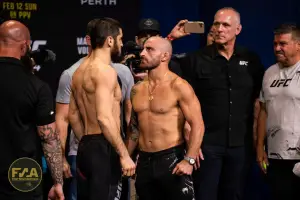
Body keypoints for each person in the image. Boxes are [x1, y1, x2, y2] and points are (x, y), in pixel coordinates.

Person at [168, 7, 265, 200]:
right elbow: (160, 65)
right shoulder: (195, 59)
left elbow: (258, 103)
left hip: (240, 146)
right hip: (206, 147)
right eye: (216, 24)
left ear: (238, 29)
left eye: (226, 25)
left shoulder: (251, 60)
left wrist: (258, 143)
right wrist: (170, 39)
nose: (219, 29)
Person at [56, 18, 134, 200]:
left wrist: (87, 142)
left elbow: (73, 115)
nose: (122, 43)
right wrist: (123, 155)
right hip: (104, 147)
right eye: (120, 39)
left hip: (85, 147)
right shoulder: (105, 71)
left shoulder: (77, 72)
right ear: (109, 40)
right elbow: (104, 118)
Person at [126, 36, 205, 200]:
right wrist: (126, 156)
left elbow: (197, 124)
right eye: (143, 49)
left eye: (149, 50)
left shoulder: (179, 86)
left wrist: (189, 160)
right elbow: (134, 128)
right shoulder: (137, 89)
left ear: (165, 56)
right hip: (145, 162)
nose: (142, 53)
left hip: (172, 159)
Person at [0, 20, 64, 200]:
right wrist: (57, 183)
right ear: (25, 46)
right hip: (22, 178)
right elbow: (49, 139)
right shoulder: (36, 86)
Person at [257, 23, 300, 200]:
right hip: (276, 155)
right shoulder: (270, 73)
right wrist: (260, 146)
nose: (277, 48)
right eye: (275, 44)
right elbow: (263, 110)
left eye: (282, 44)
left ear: (298, 44)